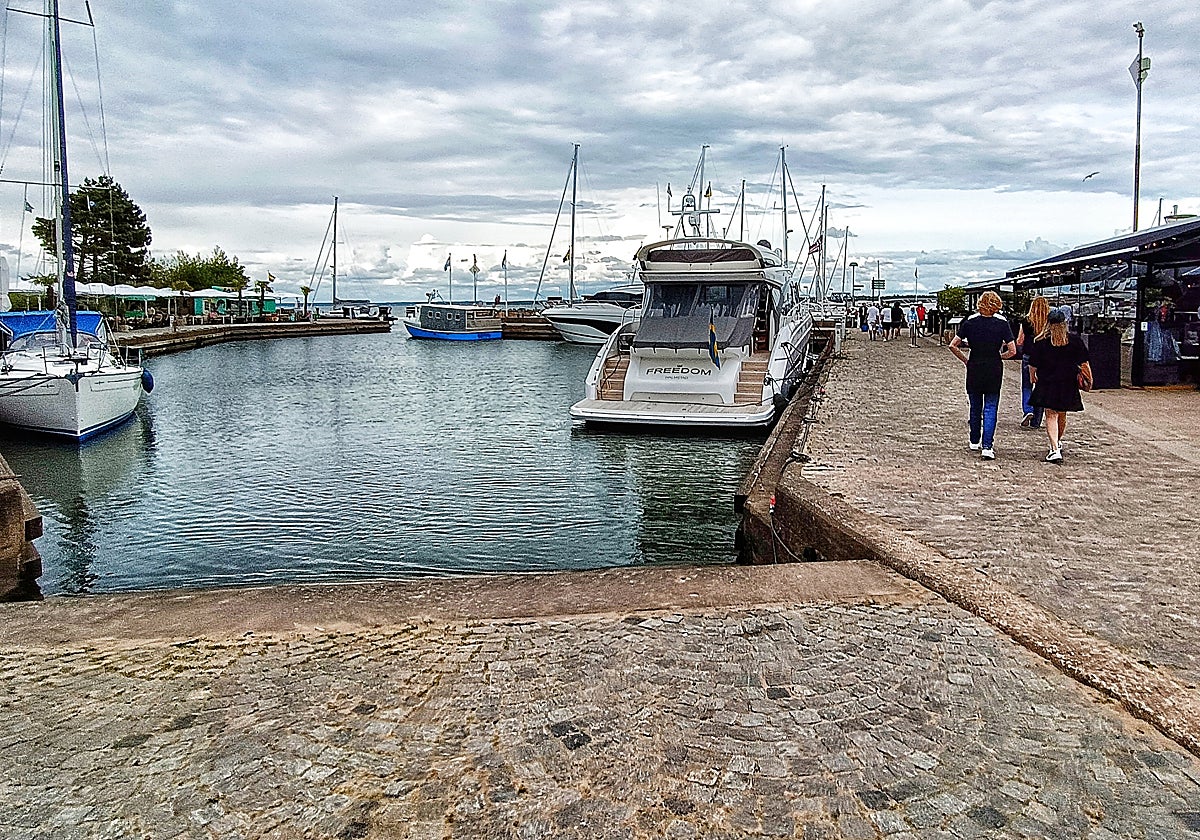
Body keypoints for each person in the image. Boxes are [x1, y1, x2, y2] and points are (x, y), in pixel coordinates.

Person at [948, 291, 1016, 460]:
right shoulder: (1002, 323)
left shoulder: (970, 322)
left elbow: (953, 345)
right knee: (991, 407)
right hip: (993, 367)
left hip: (975, 365)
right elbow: (1013, 350)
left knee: (975, 405)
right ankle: (987, 446)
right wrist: (1000, 356)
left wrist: (966, 360)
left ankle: (974, 440)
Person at [1028, 307, 1092, 463]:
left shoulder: (1041, 342)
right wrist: (1089, 379)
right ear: (1065, 323)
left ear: (1048, 324)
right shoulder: (1075, 341)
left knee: (1050, 415)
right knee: (1062, 414)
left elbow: (1033, 365)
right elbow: (1084, 363)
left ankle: (1055, 447)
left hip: (1048, 382)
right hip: (1067, 382)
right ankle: (1056, 443)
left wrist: (1032, 377)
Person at [1016, 296, 1050, 430]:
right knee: (1041, 388)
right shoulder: (1049, 321)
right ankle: (1036, 421)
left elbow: (1019, 340)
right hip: (1046, 358)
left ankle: (1028, 409)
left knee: (1026, 386)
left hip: (1028, 355)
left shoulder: (1026, 320)